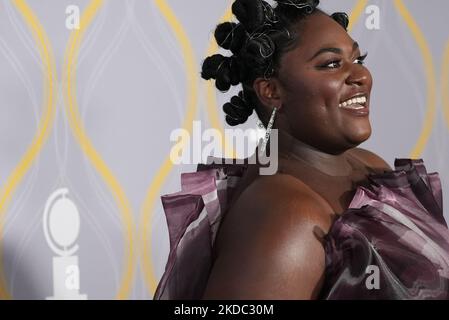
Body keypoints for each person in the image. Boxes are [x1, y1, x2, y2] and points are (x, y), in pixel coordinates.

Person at [154, 0, 449, 300]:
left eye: (358, 60)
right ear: (271, 91)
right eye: (331, 64)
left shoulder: (373, 168)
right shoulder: (287, 215)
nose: (361, 76)